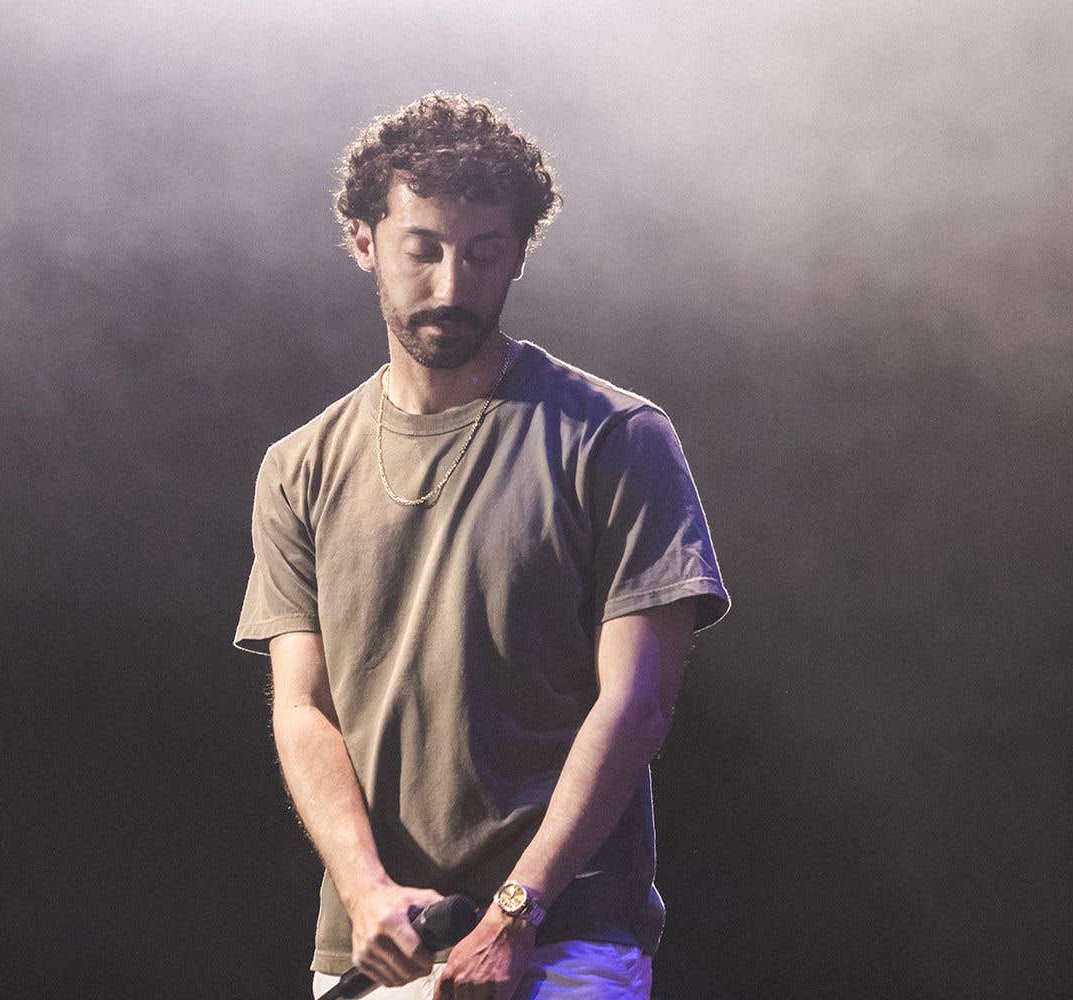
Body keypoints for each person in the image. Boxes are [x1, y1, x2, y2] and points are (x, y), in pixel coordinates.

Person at [235, 92, 729, 1000]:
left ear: (519, 256)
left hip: (562, 943)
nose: (453, 286)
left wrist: (514, 913)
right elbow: (303, 708)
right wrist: (366, 894)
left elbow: (637, 703)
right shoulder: (299, 466)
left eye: (484, 254)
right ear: (364, 241)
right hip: (376, 945)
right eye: (423, 249)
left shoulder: (615, 438)